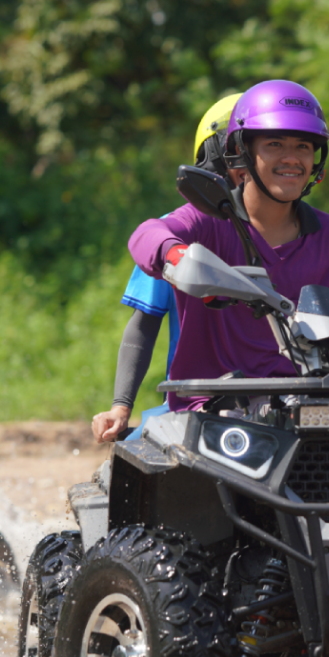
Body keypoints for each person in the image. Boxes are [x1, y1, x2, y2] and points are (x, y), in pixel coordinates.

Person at [127, 79, 329, 411]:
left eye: (304, 146)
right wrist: (178, 256)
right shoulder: (208, 221)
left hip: (307, 409)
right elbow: (147, 234)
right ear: (242, 152)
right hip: (211, 410)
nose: (292, 158)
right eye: (275, 144)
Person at [91, 94, 242, 444]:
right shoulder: (174, 233)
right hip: (195, 404)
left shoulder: (302, 237)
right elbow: (145, 322)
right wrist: (120, 406)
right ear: (218, 155)